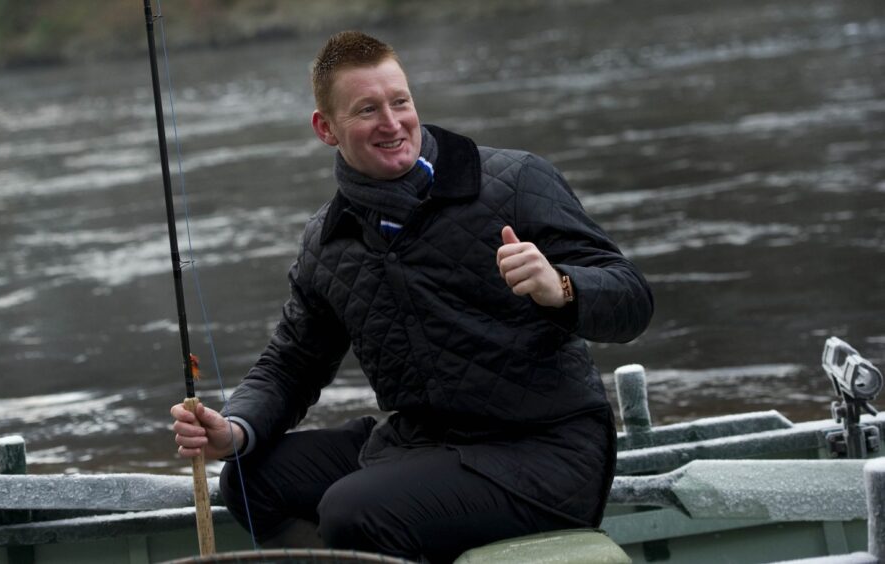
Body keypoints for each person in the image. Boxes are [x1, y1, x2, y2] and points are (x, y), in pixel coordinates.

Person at [171, 30, 653, 563]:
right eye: (367, 110)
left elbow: (633, 299)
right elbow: (291, 365)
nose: (393, 122)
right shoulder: (326, 241)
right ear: (325, 129)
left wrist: (561, 286)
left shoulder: (514, 181)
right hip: (421, 445)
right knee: (249, 479)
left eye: (400, 101)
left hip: (545, 454)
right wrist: (235, 428)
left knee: (354, 511)